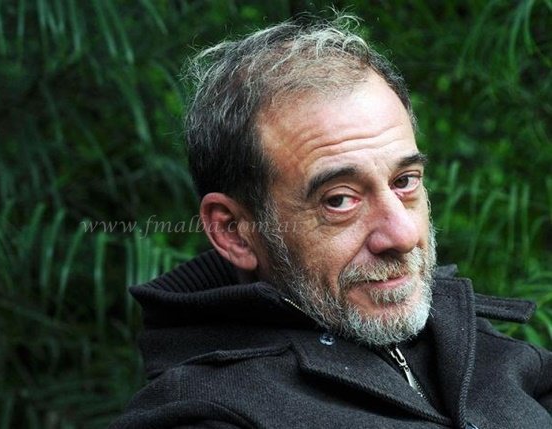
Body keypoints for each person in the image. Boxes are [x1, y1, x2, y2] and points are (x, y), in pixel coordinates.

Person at [111, 15, 552, 429]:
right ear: (235, 232)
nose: (402, 235)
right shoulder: (208, 413)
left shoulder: (480, 344)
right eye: (340, 200)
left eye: (404, 182)